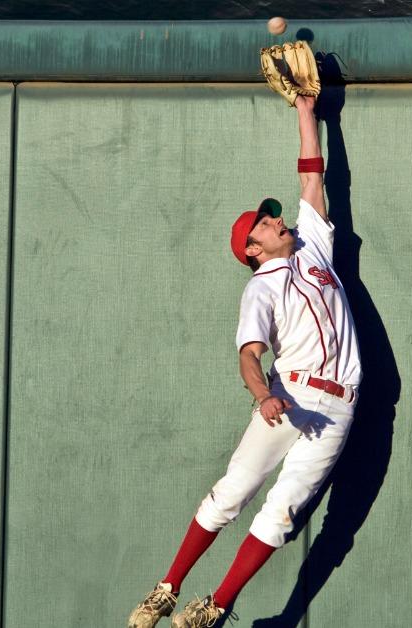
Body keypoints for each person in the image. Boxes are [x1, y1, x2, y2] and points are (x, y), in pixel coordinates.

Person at [127, 93, 362, 628]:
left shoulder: (313, 250)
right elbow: (250, 355)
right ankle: (168, 589)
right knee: (232, 492)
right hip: (290, 398)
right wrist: (263, 395)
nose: (275, 220)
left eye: (271, 218)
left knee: (284, 513)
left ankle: (215, 606)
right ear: (252, 249)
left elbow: (311, 180)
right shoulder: (260, 289)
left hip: (339, 408)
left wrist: (306, 112)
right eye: (263, 224)